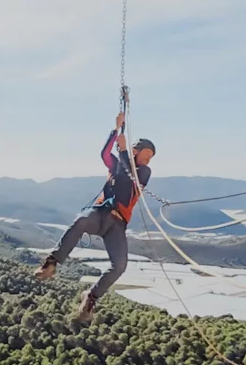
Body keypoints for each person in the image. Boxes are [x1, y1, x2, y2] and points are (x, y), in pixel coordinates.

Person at [34, 111, 156, 321]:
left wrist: (125, 149)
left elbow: (129, 178)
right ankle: (52, 262)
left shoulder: (144, 172)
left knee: (120, 266)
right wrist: (116, 130)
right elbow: (105, 154)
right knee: (81, 220)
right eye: (145, 154)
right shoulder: (120, 162)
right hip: (101, 213)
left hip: (117, 224)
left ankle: (91, 297)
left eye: (149, 157)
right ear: (136, 151)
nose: (147, 159)